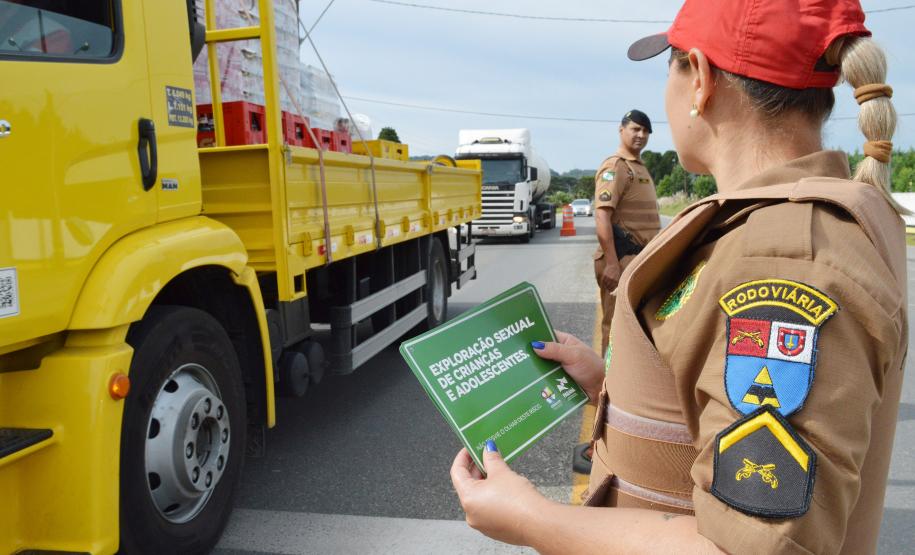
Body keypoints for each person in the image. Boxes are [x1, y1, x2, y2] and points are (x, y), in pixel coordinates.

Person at [450, 0, 906, 553]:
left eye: (670, 65)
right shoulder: (771, 220)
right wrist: (613, 387)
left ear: (701, 80)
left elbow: (746, 547)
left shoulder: (784, 256)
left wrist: (530, 519)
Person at [593, 110, 661, 355]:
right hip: (621, 260)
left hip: (639, 261)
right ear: (621, 130)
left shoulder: (638, 167)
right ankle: (608, 387)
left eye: (645, 131)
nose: (641, 135)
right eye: (635, 129)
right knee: (615, 328)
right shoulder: (616, 166)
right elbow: (602, 215)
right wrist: (611, 263)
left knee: (638, 328)